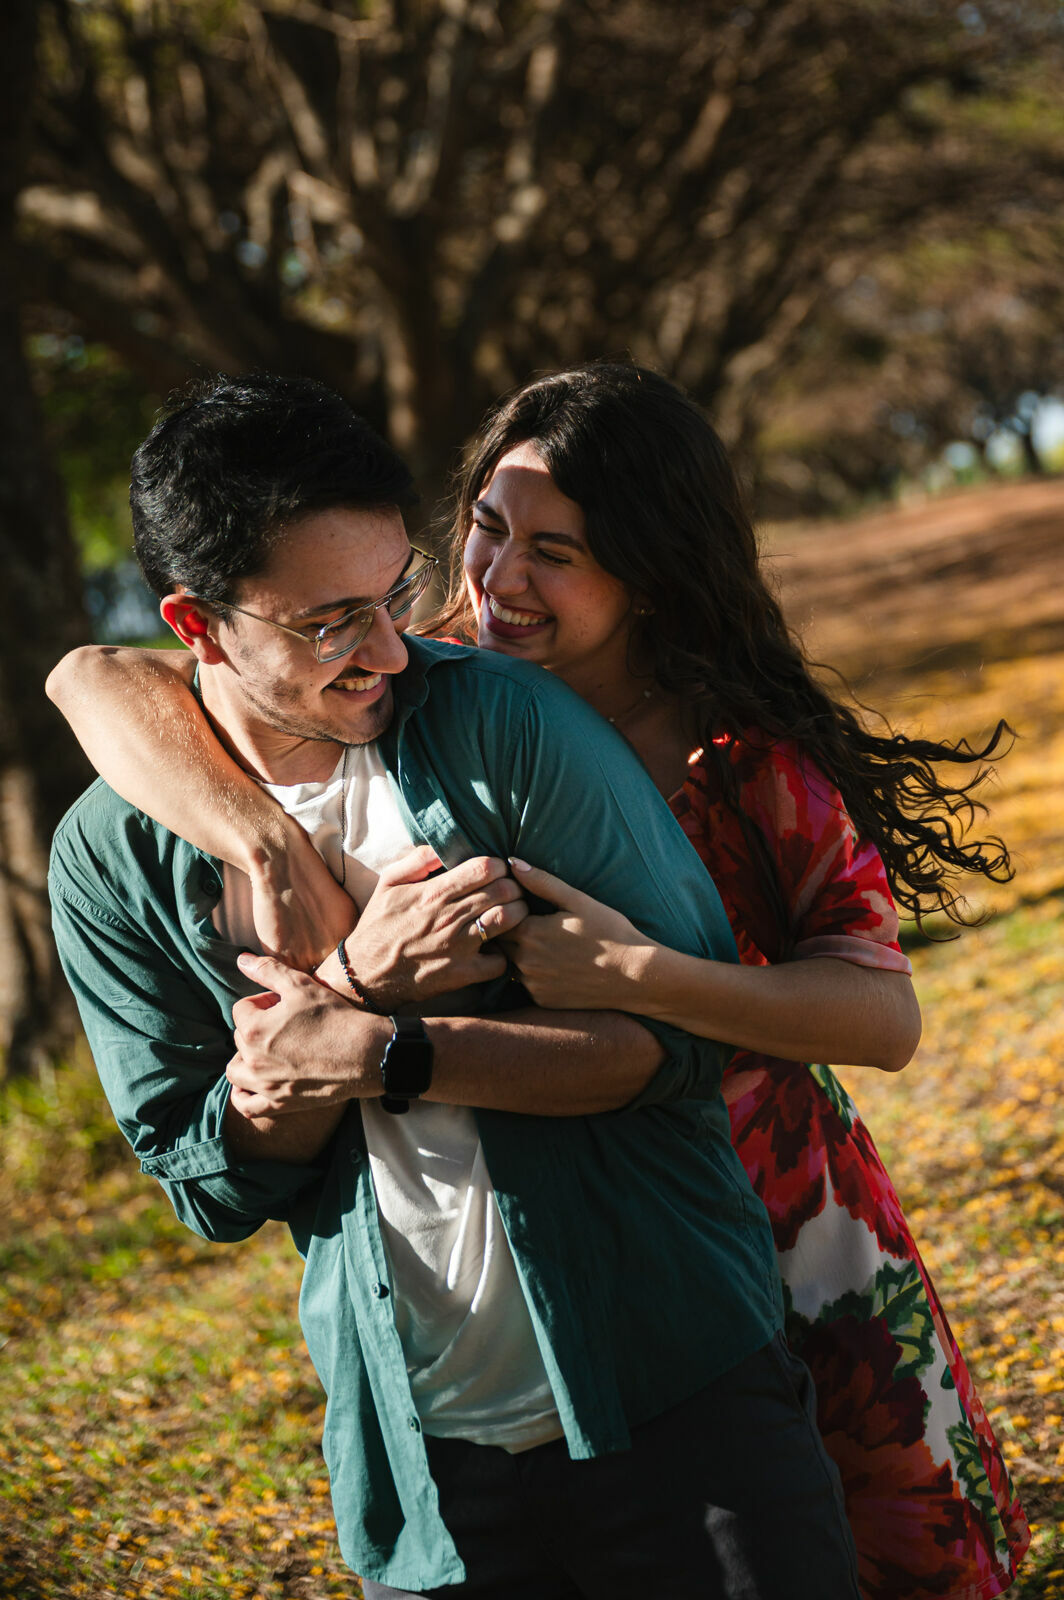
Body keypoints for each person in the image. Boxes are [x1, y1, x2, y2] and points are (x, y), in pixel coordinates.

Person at [47, 363, 1029, 1600]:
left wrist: (639, 972)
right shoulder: (408, 676)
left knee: (887, 1547)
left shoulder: (701, 747)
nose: (496, 581)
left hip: (766, 1217)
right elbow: (92, 675)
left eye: (553, 551)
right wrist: (260, 843)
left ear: (648, 571)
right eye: (486, 530)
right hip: (531, 1291)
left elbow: (878, 1014)